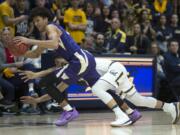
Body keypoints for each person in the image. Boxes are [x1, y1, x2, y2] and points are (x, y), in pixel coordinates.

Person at [13, 7, 132, 127]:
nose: (36, 23)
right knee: (100, 88)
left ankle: (69, 111)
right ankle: (131, 112)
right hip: (84, 60)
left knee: (45, 82)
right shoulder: (47, 36)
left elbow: (54, 44)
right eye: (34, 22)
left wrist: (29, 41)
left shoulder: (50, 27)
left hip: (78, 61)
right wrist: (20, 52)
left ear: (45, 19)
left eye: (38, 20)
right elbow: (35, 54)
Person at [20, 57, 180, 125]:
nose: (59, 63)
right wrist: (37, 101)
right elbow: (57, 90)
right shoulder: (71, 73)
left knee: (97, 88)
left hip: (114, 68)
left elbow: (51, 72)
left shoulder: (76, 63)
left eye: (60, 60)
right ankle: (171, 107)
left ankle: (122, 116)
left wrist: (36, 74)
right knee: (139, 100)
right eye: (57, 61)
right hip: (115, 73)